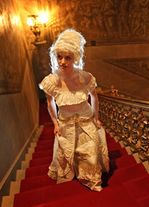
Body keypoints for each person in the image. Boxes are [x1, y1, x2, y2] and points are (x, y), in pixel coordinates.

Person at [39, 29, 109, 191]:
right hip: (66, 123)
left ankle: (92, 178)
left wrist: (96, 117)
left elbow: (94, 98)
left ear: (75, 58)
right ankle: (74, 171)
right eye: (59, 57)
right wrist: (55, 123)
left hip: (86, 119)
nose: (62, 61)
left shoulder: (86, 77)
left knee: (90, 151)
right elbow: (49, 103)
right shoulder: (51, 81)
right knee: (69, 152)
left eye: (67, 57)